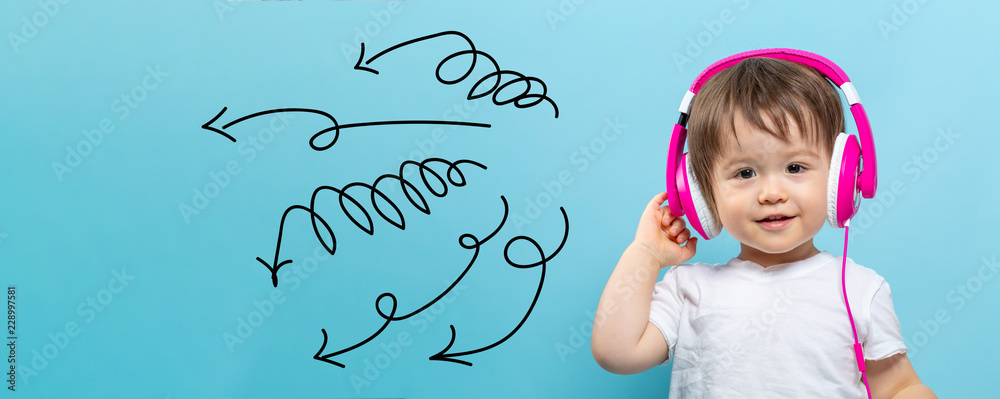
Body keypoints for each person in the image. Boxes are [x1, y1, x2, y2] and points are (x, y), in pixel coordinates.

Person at [591, 55, 937, 398]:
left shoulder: (860, 290)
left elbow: (898, 386)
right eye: (745, 173)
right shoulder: (690, 289)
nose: (771, 193)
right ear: (700, 191)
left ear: (842, 176)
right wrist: (646, 255)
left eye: (796, 168)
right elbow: (617, 353)